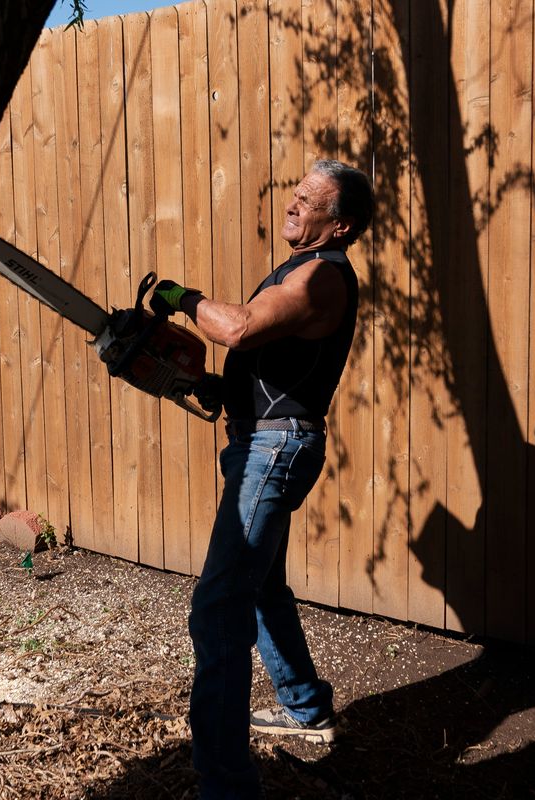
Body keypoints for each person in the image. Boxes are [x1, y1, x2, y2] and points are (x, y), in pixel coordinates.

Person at [151, 159, 374, 798]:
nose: (294, 205)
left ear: (341, 225)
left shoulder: (322, 277)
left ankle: (224, 784)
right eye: (295, 194)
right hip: (264, 440)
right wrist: (199, 383)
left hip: (274, 452)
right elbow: (273, 366)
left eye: (310, 202)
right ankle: (306, 708)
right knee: (261, 585)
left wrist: (181, 298)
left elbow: (241, 329)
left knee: (219, 607)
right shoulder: (303, 270)